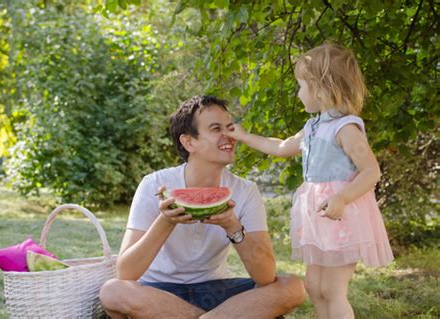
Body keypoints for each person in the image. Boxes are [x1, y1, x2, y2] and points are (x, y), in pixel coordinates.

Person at [226, 43, 394, 319]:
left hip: (340, 218)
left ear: (321, 87)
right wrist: (245, 137)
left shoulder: (346, 128)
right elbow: (281, 147)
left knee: (333, 290)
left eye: (301, 85)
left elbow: (371, 171)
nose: (298, 93)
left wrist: (341, 197)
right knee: (314, 287)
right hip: (318, 220)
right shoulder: (314, 126)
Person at [99, 95, 306, 318]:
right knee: (113, 291)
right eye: (216, 129)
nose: (229, 135)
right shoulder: (155, 184)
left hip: (215, 290)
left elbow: (265, 277)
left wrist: (233, 226)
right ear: (189, 142)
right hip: (159, 291)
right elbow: (126, 272)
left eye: (230, 127)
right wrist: (166, 221)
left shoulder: (246, 191)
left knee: (292, 288)